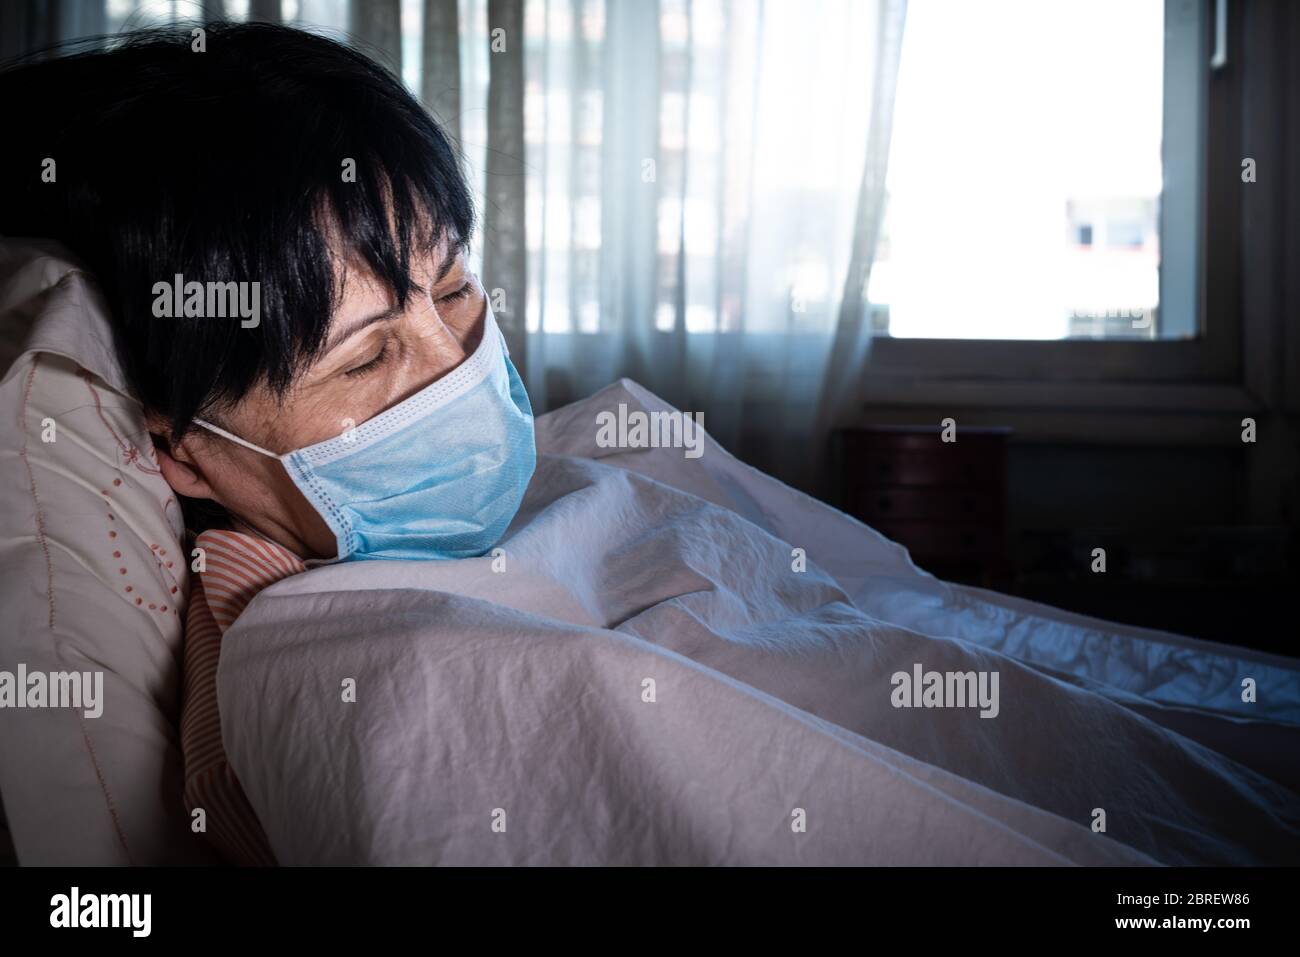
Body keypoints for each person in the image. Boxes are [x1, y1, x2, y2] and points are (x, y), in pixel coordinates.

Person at [0, 21, 535, 565]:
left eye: (452, 290)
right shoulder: (320, 641)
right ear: (182, 451)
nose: (459, 367)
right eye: (364, 360)